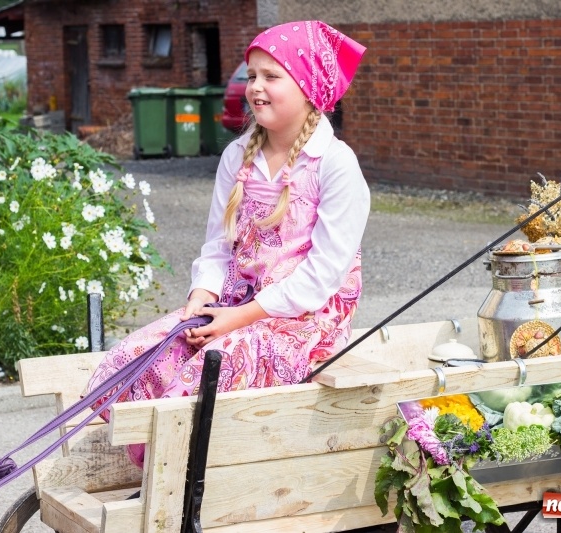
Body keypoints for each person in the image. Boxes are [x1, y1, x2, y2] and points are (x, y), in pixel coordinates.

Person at [86, 20, 369, 467]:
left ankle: (188, 478)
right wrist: (199, 304)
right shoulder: (238, 156)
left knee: (211, 367)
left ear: (310, 86)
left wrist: (235, 320)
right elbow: (217, 249)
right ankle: (160, 473)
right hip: (235, 304)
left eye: (272, 77)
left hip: (303, 321)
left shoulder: (334, 165)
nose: (255, 87)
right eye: (252, 75)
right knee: (132, 358)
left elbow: (320, 279)